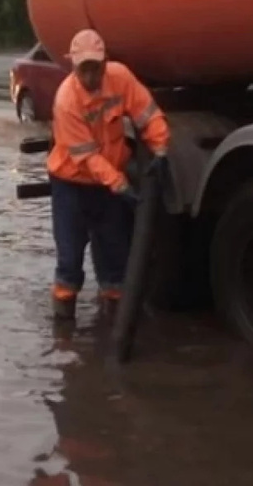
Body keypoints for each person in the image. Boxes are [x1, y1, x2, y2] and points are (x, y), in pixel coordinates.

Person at [47, 28, 170, 320]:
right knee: (70, 259)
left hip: (107, 185)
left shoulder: (120, 78)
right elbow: (88, 157)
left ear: (104, 63)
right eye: (84, 70)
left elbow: (148, 114)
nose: (91, 77)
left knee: (115, 257)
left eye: (96, 68)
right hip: (71, 186)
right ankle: (64, 331)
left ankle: (112, 320)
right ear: (73, 66)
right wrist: (121, 185)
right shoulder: (66, 100)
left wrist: (161, 150)